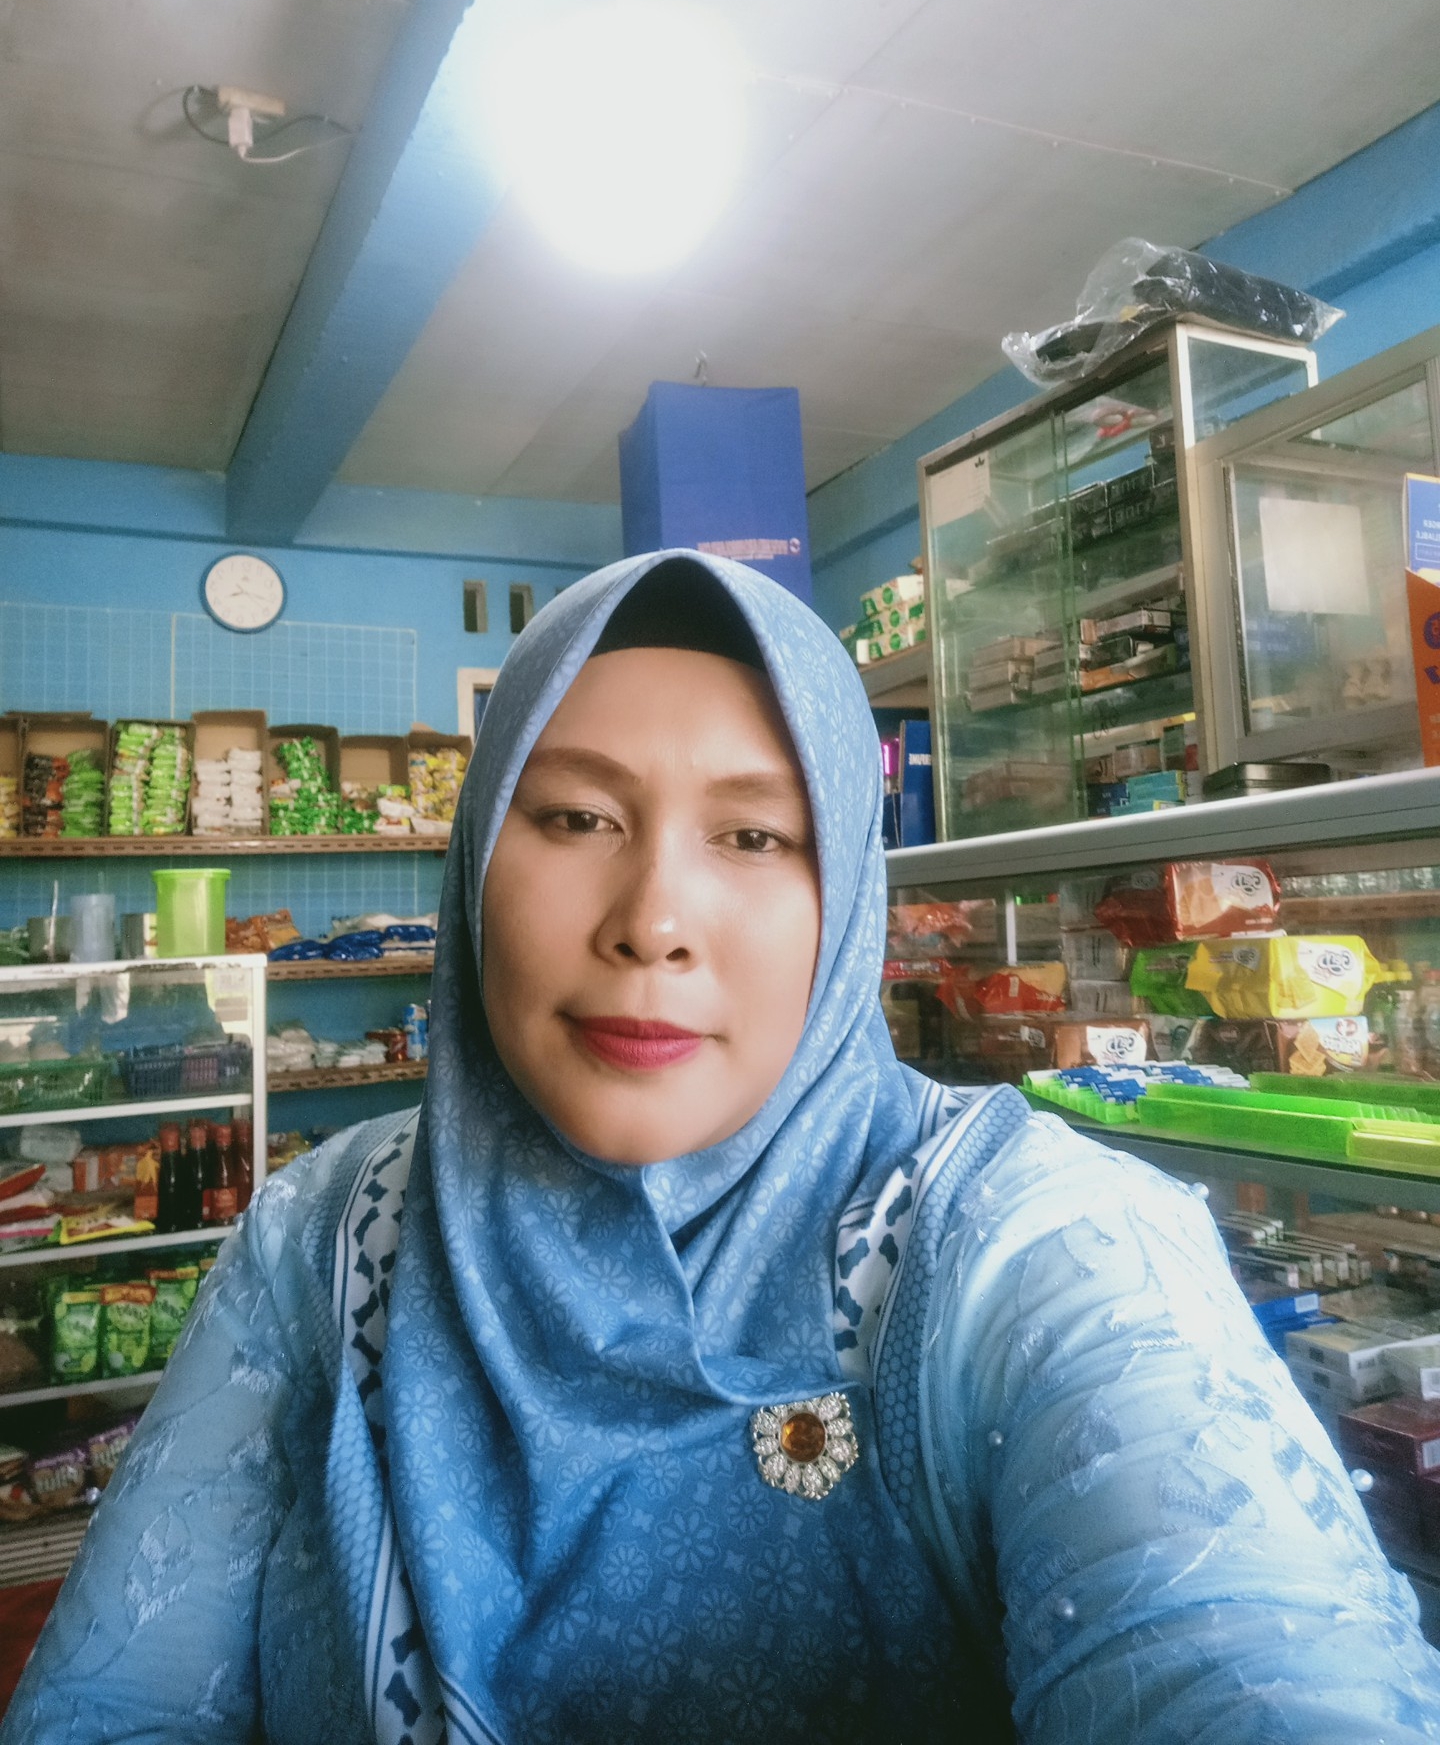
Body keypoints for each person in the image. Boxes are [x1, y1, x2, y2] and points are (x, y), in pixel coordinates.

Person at [8, 551, 1440, 1744]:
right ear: (474, 862)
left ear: (848, 900)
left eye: (755, 838)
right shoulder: (321, 1237)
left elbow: (1247, 1660)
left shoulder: (1040, 1247)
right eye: (575, 817)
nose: (652, 921)